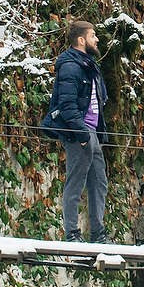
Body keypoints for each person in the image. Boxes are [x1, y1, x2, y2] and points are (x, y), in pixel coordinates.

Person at [50, 20, 110, 241]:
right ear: (81, 40)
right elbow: (66, 105)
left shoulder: (88, 64)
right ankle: (72, 233)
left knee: (99, 182)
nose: (97, 39)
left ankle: (98, 233)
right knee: (75, 182)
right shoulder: (70, 66)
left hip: (92, 133)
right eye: (93, 35)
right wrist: (81, 134)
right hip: (80, 133)